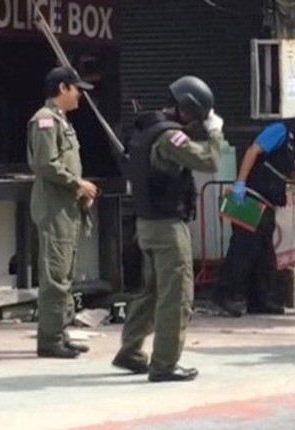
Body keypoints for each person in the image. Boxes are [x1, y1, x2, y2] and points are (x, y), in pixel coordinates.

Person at [111, 76, 224, 382]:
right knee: (177, 296)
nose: (197, 123)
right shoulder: (169, 137)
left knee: (150, 292)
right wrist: (215, 134)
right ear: (186, 109)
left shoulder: (147, 129)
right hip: (167, 228)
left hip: (146, 224)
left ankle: (131, 351)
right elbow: (210, 161)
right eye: (196, 117)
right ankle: (164, 364)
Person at [212, 105, 295, 317]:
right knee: (243, 250)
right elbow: (254, 150)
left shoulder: (293, 140)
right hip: (250, 198)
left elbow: (277, 166)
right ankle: (225, 295)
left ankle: (259, 299)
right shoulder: (280, 130)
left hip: (268, 202)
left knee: (264, 253)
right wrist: (240, 183)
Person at [28, 67, 98, 359]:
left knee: (65, 274)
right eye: (76, 88)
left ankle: (60, 331)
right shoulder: (44, 120)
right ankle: (50, 340)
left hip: (67, 207)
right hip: (54, 209)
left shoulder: (62, 122)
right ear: (62, 88)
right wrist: (77, 183)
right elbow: (47, 164)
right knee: (55, 275)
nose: (79, 94)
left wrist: (79, 194)